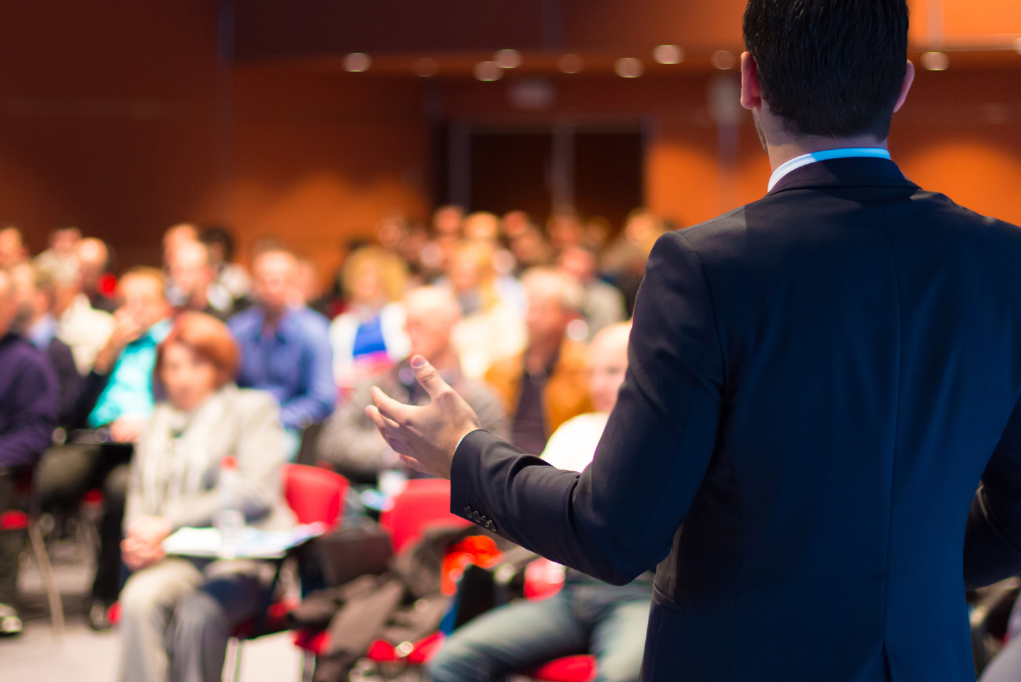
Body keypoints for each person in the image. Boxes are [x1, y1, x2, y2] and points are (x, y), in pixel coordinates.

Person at [366, 1, 1021, 680]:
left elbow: (614, 532)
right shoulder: (1002, 261)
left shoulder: (707, 267)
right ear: (904, 85)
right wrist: (897, 576)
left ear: (751, 83)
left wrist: (465, 455)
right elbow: (1016, 521)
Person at [428, 323, 651, 682]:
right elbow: (530, 508)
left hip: (636, 595)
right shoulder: (577, 430)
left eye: (612, 371)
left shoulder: (662, 444)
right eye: (592, 372)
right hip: (572, 592)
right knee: (451, 661)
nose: (597, 385)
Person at [115, 312, 294, 682]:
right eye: (173, 367)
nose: (183, 377)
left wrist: (169, 521)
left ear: (219, 367)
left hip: (241, 556)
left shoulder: (251, 409)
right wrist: (137, 538)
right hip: (177, 556)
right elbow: (138, 495)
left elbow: (255, 491)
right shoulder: (157, 421)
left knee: (199, 612)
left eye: (196, 365)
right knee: (138, 598)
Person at [37, 266, 173, 629]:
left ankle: (106, 595)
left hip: (146, 449)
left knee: (121, 492)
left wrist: (149, 423)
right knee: (43, 480)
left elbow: (186, 406)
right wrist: (104, 356)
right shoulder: (112, 344)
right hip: (96, 440)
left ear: (165, 307)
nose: (135, 310)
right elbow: (74, 412)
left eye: (145, 302)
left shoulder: (174, 345)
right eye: (127, 302)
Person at [317, 287, 506, 484]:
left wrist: (413, 446)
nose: (409, 333)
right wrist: (397, 449)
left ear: (450, 324)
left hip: (441, 506)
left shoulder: (480, 398)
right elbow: (331, 443)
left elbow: (493, 467)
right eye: (406, 325)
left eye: (419, 324)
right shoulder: (378, 384)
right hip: (371, 501)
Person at [0, 267, 57, 637]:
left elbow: (36, 433)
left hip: (7, 478)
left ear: (7, 308)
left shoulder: (28, 361)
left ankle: (2, 598)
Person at [228, 247, 336, 445]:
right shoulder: (237, 329)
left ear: (294, 283)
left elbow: (323, 398)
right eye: (264, 280)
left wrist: (276, 420)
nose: (272, 287)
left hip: (289, 427)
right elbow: (225, 385)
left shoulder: (314, 331)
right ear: (253, 283)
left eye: (281, 280)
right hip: (242, 422)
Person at [484, 268, 591, 455]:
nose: (531, 317)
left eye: (542, 309)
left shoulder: (585, 369)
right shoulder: (498, 369)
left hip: (557, 468)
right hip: (504, 464)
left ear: (567, 317)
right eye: (529, 307)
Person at [329, 246, 410, 395]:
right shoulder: (342, 324)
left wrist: (369, 368)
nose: (366, 281)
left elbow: (404, 358)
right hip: (356, 395)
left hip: (396, 391)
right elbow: (339, 373)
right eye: (361, 276)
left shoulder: (399, 314)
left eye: (372, 276)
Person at [10, 262, 81, 423]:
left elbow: (62, 411)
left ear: (41, 297)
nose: (9, 296)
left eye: (17, 289)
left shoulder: (59, 351)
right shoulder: (5, 346)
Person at [446, 242, 526, 381]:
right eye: (457, 272)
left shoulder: (501, 311)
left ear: (484, 275)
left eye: (468, 274)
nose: (461, 279)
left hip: (487, 385)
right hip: (449, 381)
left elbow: (511, 354)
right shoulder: (444, 306)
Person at [49, 253, 116, 375]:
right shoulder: (32, 325)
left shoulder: (103, 324)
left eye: (53, 289)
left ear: (73, 286)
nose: (46, 297)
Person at [558, 245, 626, 340]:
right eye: (573, 260)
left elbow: (611, 333)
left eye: (583, 261)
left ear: (593, 268)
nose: (578, 267)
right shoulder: (546, 292)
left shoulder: (607, 297)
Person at [169, 240, 231, 320]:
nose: (181, 277)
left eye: (189, 271)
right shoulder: (172, 315)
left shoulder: (223, 318)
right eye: (178, 271)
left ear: (207, 274)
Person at [76, 237, 117, 313]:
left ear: (102, 272)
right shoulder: (57, 303)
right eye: (79, 268)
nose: (82, 276)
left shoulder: (109, 308)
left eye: (90, 271)